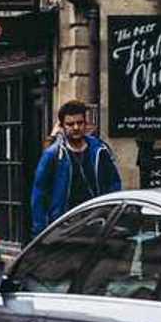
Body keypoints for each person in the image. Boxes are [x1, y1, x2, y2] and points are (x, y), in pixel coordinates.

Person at [28, 100, 121, 239]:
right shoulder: (53, 154)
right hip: (64, 226)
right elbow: (39, 193)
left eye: (80, 122)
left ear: (86, 123)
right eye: (70, 124)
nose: (76, 127)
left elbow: (113, 183)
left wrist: (111, 215)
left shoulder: (100, 150)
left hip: (97, 224)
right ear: (62, 126)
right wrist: (41, 231)